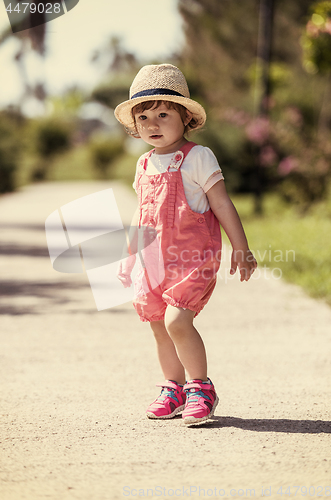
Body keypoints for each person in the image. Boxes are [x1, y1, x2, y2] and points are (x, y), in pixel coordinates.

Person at [114, 64, 257, 425]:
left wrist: (241, 247)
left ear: (186, 118)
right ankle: (173, 387)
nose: (152, 124)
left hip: (192, 258)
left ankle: (201, 387)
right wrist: (129, 255)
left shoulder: (198, 157)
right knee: (159, 324)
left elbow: (222, 203)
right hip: (153, 262)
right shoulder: (144, 163)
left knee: (178, 320)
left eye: (163, 114)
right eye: (144, 117)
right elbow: (141, 213)